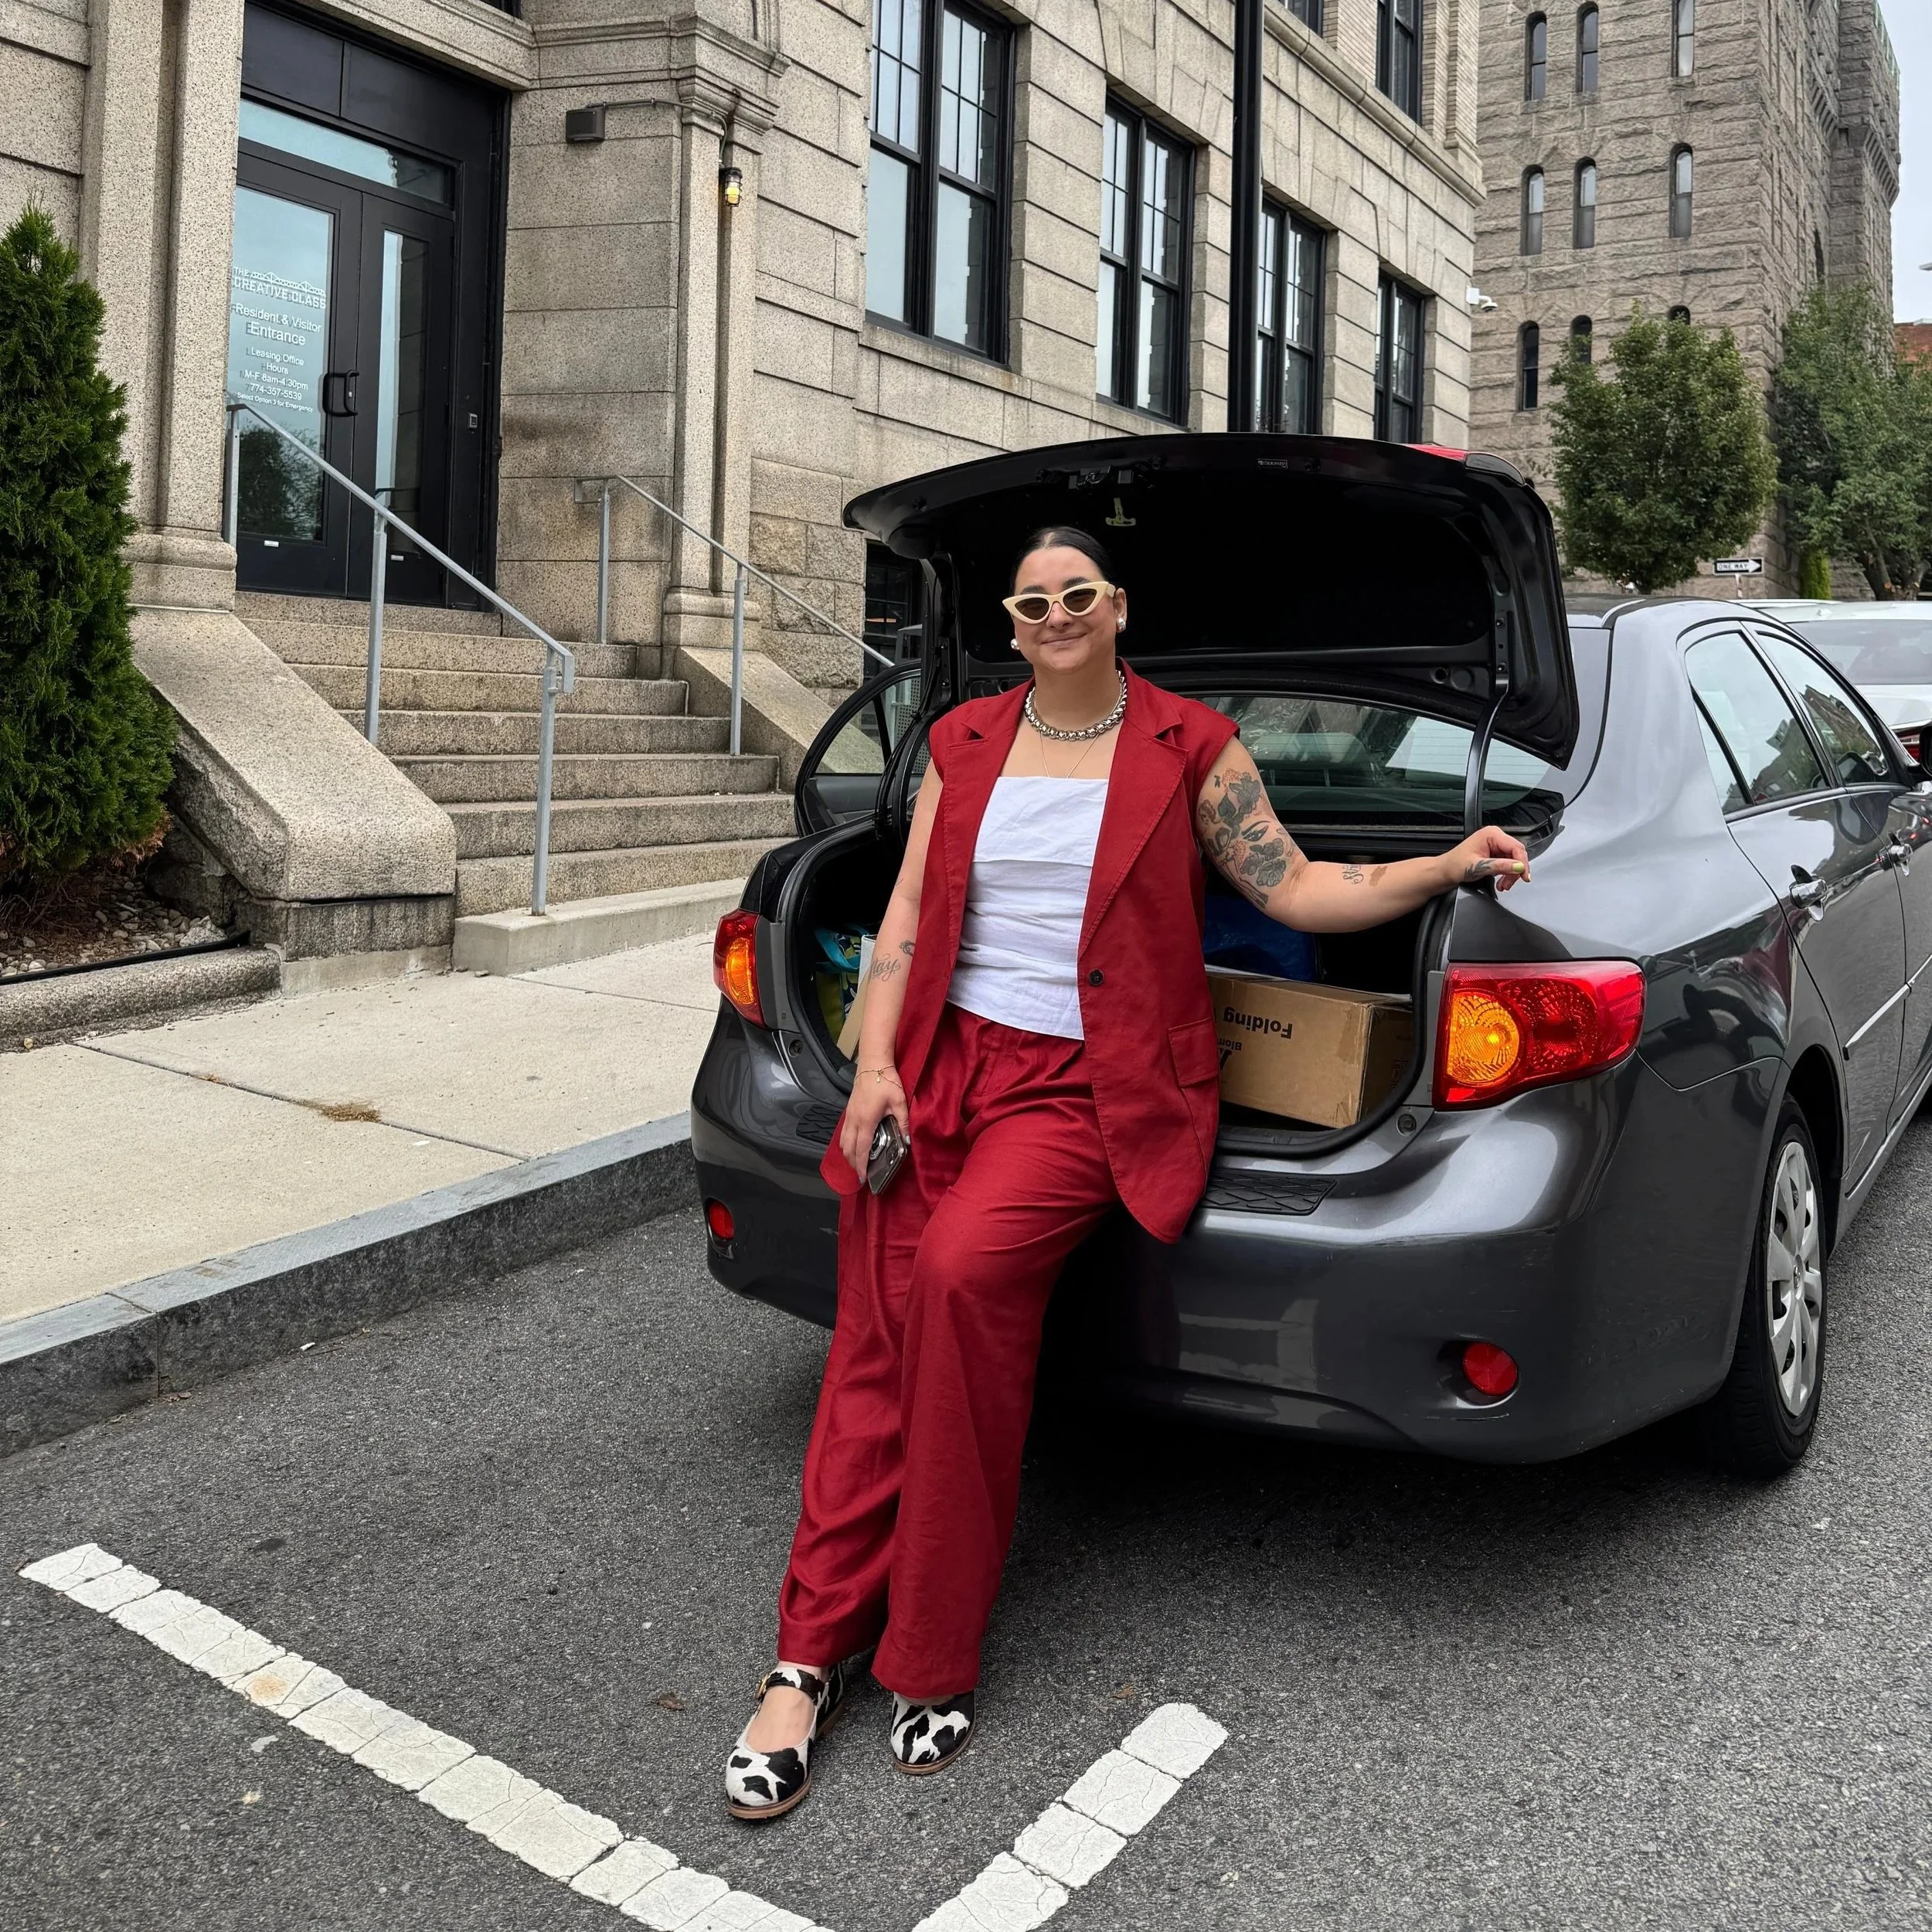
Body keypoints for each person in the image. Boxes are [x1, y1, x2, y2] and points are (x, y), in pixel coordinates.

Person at [723, 527, 1530, 1819]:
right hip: (939, 1063)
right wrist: (874, 1069)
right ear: (1011, 621)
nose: (1054, 615)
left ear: (1117, 608)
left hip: (1080, 1089)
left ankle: (929, 1654)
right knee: (873, 1344)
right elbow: (909, 917)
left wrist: (1445, 865)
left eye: (1077, 595)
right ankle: (804, 1660)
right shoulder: (965, 740)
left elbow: (1296, 889)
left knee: (959, 1281)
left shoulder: (1190, 748)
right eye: (1031, 601)